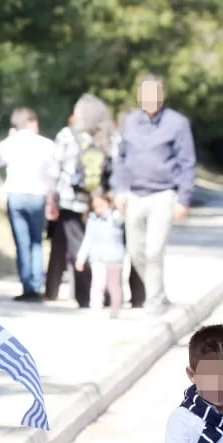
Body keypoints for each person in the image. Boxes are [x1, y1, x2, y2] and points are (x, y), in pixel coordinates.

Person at [112, 74, 197, 316]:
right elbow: (121, 158)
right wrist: (119, 190)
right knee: (136, 250)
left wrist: (183, 198)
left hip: (163, 194)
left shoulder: (177, 123)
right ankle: (157, 292)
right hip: (135, 194)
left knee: (154, 250)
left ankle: (155, 302)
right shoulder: (130, 122)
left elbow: (187, 163)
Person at [46, 94, 131, 308]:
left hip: (71, 201)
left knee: (78, 249)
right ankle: (110, 295)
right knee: (107, 246)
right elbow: (118, 170)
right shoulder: (111, 137)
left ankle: (85, 297)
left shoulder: (67, 135)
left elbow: (55, 171)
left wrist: (51, 200)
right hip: (102, 203)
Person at [0, 107, 55, 302]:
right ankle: (36, 285)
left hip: (16, 195)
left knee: (22, 243)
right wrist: (52, 197)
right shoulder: (45, 144)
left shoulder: (9, 144)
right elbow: (52, 173)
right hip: (37, 195)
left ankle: (27, 285)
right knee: (37, 242)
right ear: (30, 122)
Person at [75, 187, 127, 319]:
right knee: (98, 283)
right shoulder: (92, 220)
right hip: (97, 257)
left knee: (114, 286)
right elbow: (88, 239)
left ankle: (116, 308)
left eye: (101, 205)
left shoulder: (115, 217)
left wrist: (120, 204)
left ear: (108, 203)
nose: (99, 209)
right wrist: (81, 257)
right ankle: (96, 308)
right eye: (95, 207)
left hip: (114, 257)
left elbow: (123, 215)